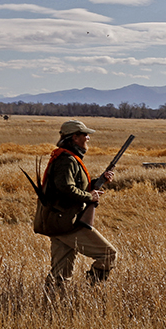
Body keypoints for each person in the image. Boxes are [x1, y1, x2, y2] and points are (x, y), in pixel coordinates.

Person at [41, 120, 118, 292]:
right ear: (74, 137)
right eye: (85, 135)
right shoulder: (66, 160)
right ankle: (92, 288)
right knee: (108, 255)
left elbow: (71, 186)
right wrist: (89, 196)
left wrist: (99, 181)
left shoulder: (67, 158)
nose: (88, 138)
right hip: (68, 223)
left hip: (58, 221)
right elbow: (65, 188)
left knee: (60, 275)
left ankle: (50, 309)